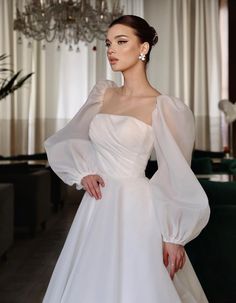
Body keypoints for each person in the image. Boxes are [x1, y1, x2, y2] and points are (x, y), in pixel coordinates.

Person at [43, 15, 210, 303]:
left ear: (143, 48)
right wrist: (83, 171)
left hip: (138, 207)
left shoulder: (165, 107)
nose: (111, 50)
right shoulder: (102, 94)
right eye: (108, 43)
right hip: (96, 207)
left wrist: (174, 235)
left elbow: (176, 172)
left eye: (121, 42)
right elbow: (71, 136)